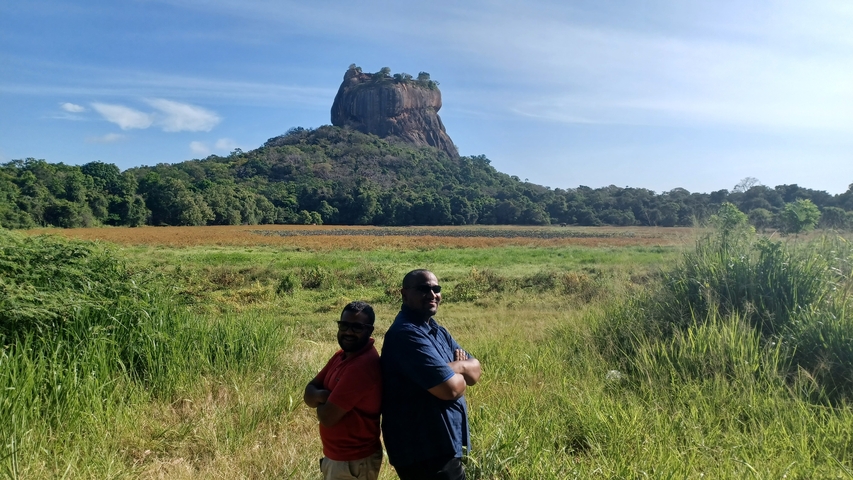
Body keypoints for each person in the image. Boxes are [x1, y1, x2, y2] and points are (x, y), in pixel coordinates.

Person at [381, 269, 482, 480]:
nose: (432, 294)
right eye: (423, 289)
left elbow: (474, 371)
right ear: (404, 294)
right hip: (422, 448)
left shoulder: (437, 331)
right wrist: (457, 367)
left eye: (436, 289)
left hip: (442, 444)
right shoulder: (406, 334)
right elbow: (451, 389)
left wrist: (454, 368)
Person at [304, 301, 383, 480]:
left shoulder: (362, 366)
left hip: (353, 461)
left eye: (356, 327)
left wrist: (320, 398)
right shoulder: (341, 356)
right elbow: (308, 392)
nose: (348, 332)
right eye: (344, 325)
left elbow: (327, 418)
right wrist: (324, 395)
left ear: (369, 331)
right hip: (342, 458)